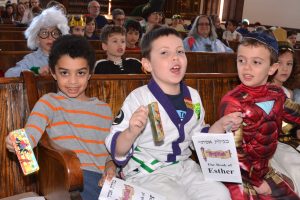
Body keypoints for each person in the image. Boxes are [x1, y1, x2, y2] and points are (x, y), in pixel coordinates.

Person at [105, 26, 244, 200]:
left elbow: (199, 137)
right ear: (147, 64)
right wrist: (131, 132)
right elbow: (117, 149)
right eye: (164, 53)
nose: (175, 57)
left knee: (220, 194)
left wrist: (220, 125)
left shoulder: (193, 97)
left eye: (180, 51)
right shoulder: (139, 99)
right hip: (148, 172)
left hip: (184, 167)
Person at [5, 35, 116, 200]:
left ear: (90, 73)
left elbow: (111, 152)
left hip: (103, 183)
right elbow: (31, 134)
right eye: (64, 73)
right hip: (69, 180)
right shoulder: (49, 102)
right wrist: (17, 143)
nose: (72, 81)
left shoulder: (104, 109)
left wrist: (111, 165)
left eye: (80, 73)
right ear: (53, 72)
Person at [218, 31, 300, 199]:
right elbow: (234, 151)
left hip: (263, 169)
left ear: (272, 68)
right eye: (241, 60)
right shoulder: (233, 102)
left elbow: (295, 114)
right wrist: (257, 182)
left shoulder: (276, 93)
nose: (246, 67)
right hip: (238, 175)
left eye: (256, 62)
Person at [5, 7, 69, 78]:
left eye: (55, 33)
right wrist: (36, 71)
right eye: (44, 33)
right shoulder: (31, 59)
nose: (50, 37)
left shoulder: (68, 56)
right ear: (37, 37)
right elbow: (9, 74)